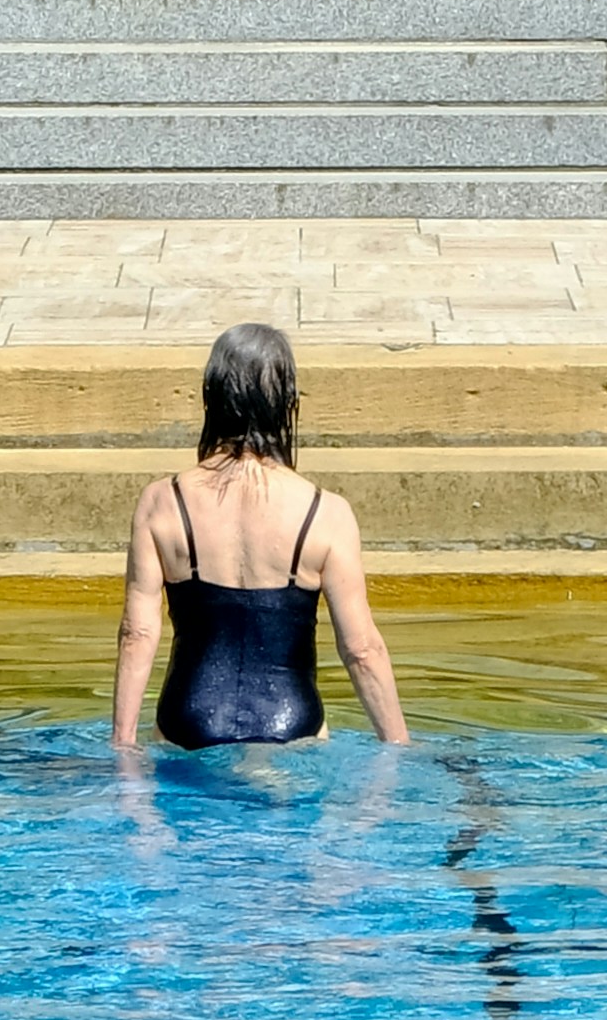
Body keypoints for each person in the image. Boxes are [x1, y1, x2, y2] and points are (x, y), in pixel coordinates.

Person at [110, 320, 408, 754]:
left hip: (187, 723)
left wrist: (122, 745)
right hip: (291, 726)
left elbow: (137, 632)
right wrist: (399, 747)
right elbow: (362, 650)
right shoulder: (326, 512)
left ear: (210, 397)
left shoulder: (162, 502)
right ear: (288, 402)